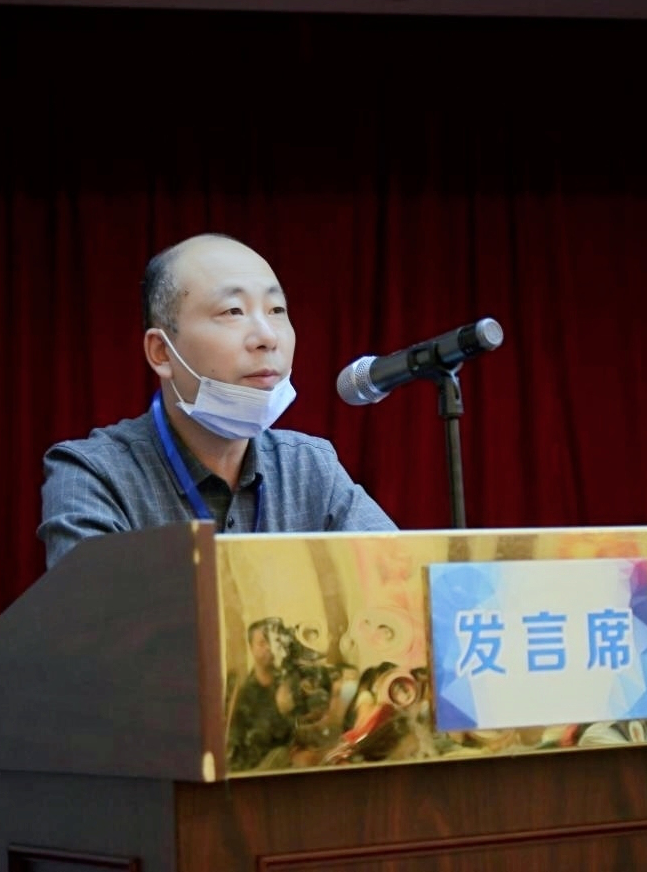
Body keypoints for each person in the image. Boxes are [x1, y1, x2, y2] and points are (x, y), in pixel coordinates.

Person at [37, 232, 396, 568]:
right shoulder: (94, 474)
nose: (267, 337)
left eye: (276, 310)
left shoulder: (309, 466)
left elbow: (401, 580)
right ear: (162, 352)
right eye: (233, 311)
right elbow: (94, 609)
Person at [226, 619, 295, 771]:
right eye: (262, 643)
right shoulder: (243, 694)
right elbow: (236, 748)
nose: (269, 648)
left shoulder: (289, 683)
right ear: (251, 648)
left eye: (272, 641)